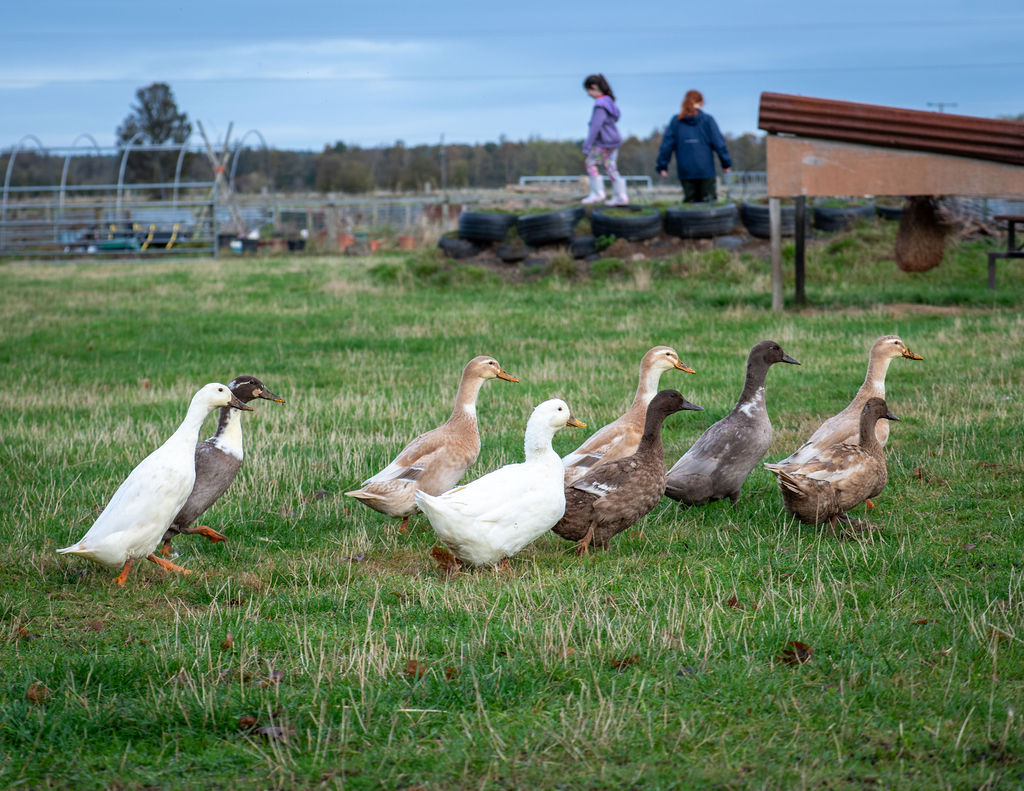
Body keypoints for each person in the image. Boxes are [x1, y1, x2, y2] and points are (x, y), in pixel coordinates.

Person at [656, 89, 732, 203]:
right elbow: (719, 143)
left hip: (685, 170)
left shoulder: (676, 121)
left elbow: (666, 145)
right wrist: (726, 163)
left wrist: (662, 166)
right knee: (709, 204)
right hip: (706, 170)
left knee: (690, 205)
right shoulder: (707, 120)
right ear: (701, 102)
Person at [581, 74, 628, 206]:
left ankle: (597, 194)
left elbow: (595, 126)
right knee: (610, 166)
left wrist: (587, 144)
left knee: (590, 162)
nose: (588, 94)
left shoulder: (600, 105)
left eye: (589, 91)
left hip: (604, 141)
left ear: (594, 87)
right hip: (614, 139)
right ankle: (621, 196)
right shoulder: (609, 102)